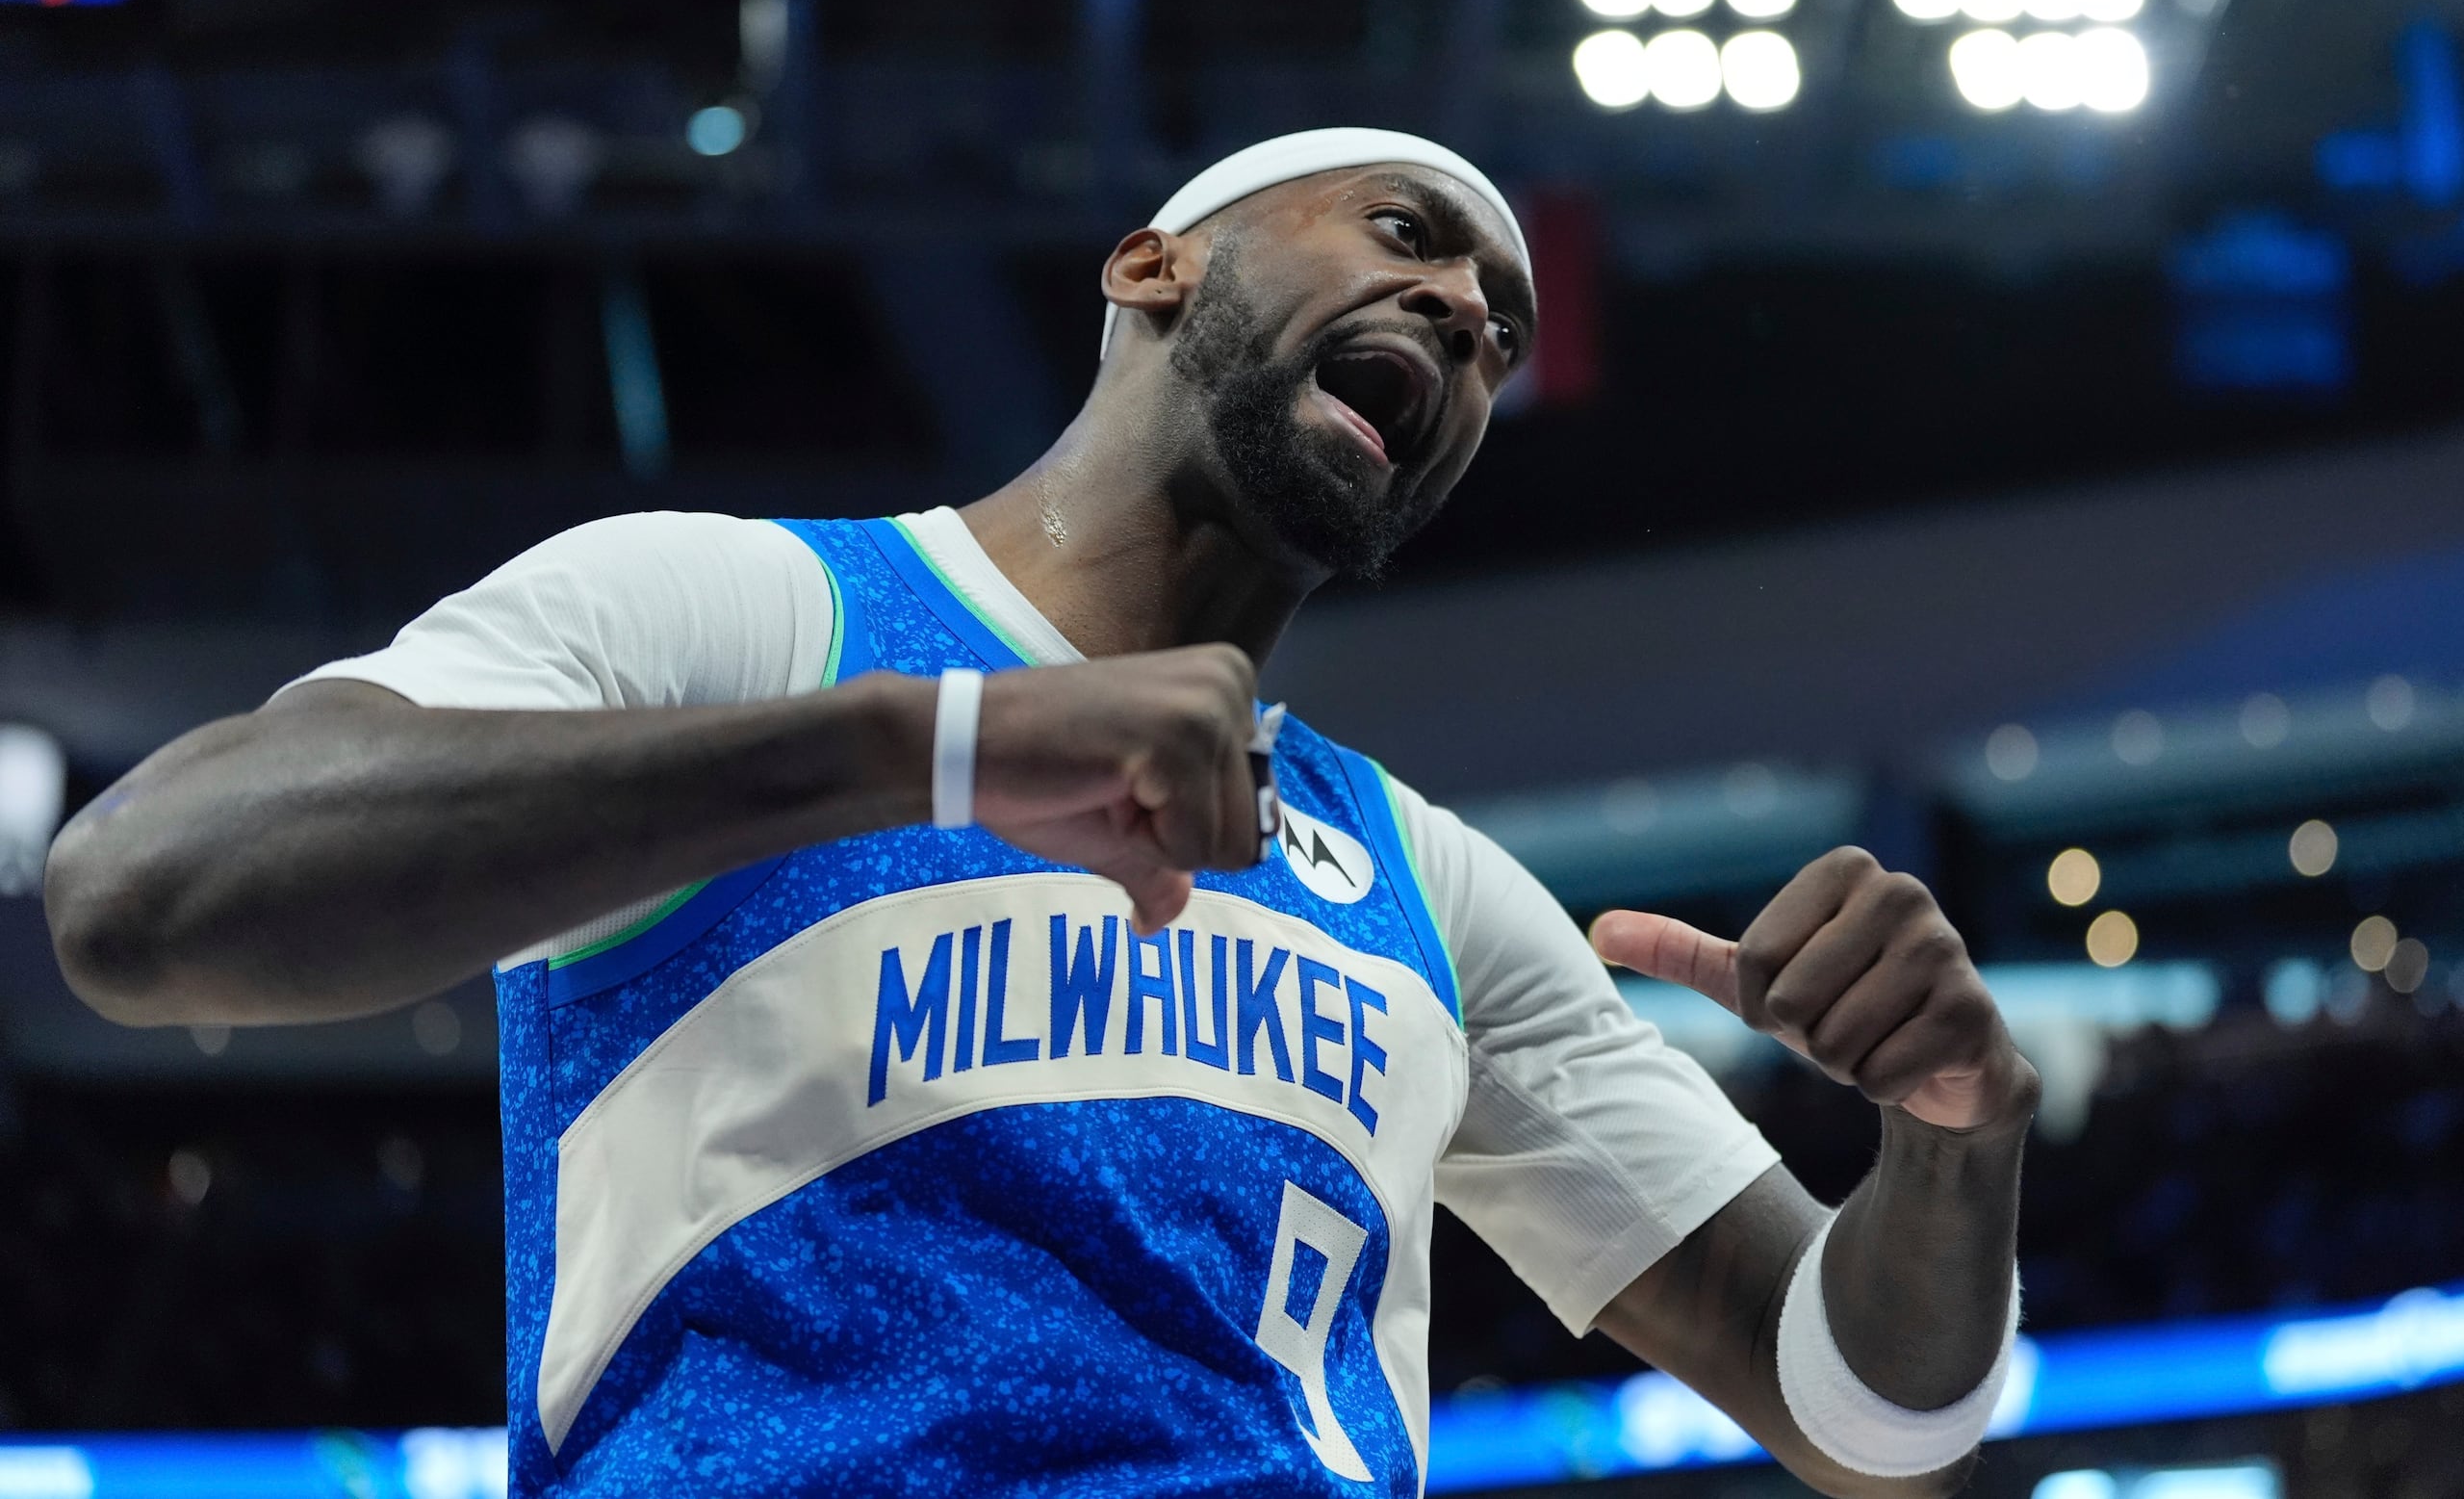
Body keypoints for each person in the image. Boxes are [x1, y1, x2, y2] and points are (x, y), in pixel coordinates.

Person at [46, 129, 2038, 1499]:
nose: (1463, 325)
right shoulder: (751, 614)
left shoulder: (1429, 884)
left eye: (1500, 332)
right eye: (1408, 240)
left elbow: (1868, 1417)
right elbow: (147, 897)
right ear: (1152, 266)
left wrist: (1953, 1145)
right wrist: (917, 747)